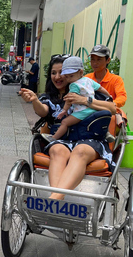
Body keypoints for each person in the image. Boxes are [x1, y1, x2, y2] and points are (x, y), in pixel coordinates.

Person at [19, 55, 116, 200]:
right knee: (57, 150)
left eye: (62, 73)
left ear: (76, 73)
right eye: (53, 73)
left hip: (90, 139)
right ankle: (57, 200)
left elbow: (112, 108)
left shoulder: (87, 87)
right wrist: (34, 100)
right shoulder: (50, 97)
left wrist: (84, 100)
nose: (58, 77)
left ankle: (55, 199)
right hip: (62, 139)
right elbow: (43, 111)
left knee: (80, 151)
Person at [51, 56, 114, 142]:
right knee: (102, 120)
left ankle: (54, 138)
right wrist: (109, 95)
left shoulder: (74, 85)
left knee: (65, 122)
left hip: (82, 111)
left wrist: (64, 111)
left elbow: (70, 99)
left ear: (81, 72)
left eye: (71, 76)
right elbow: (100, 88)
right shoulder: (89, 80)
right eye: (66, 76)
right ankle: (107, 134)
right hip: (94, 109)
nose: (69, 79)